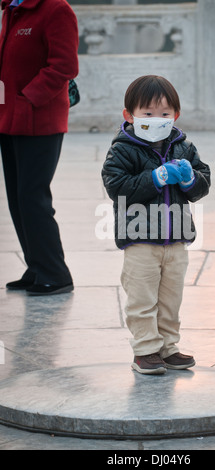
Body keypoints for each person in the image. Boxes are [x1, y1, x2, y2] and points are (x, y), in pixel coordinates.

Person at [102, 75, 211, 374]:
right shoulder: (123, 149)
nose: (157, 119)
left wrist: (191, 179)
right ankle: (146, 350)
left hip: (176, 240)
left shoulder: (183, 146)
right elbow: (117, 186)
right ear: (129, 115)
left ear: (175, 115)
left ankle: (168, 347)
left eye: (164, 114)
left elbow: (202, 185)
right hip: (139, 240)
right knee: (142, 298)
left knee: (170, 299)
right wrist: (156, 177)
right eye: (147, 114)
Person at [0, 0, 79, 295]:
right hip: (8, 119)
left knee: (34, 199)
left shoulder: (56, 9)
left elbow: (65, 66)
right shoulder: (11, 9)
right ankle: (36, 267)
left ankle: (55, 274)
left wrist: (28, 98)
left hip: (40, 121)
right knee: (18, 200)